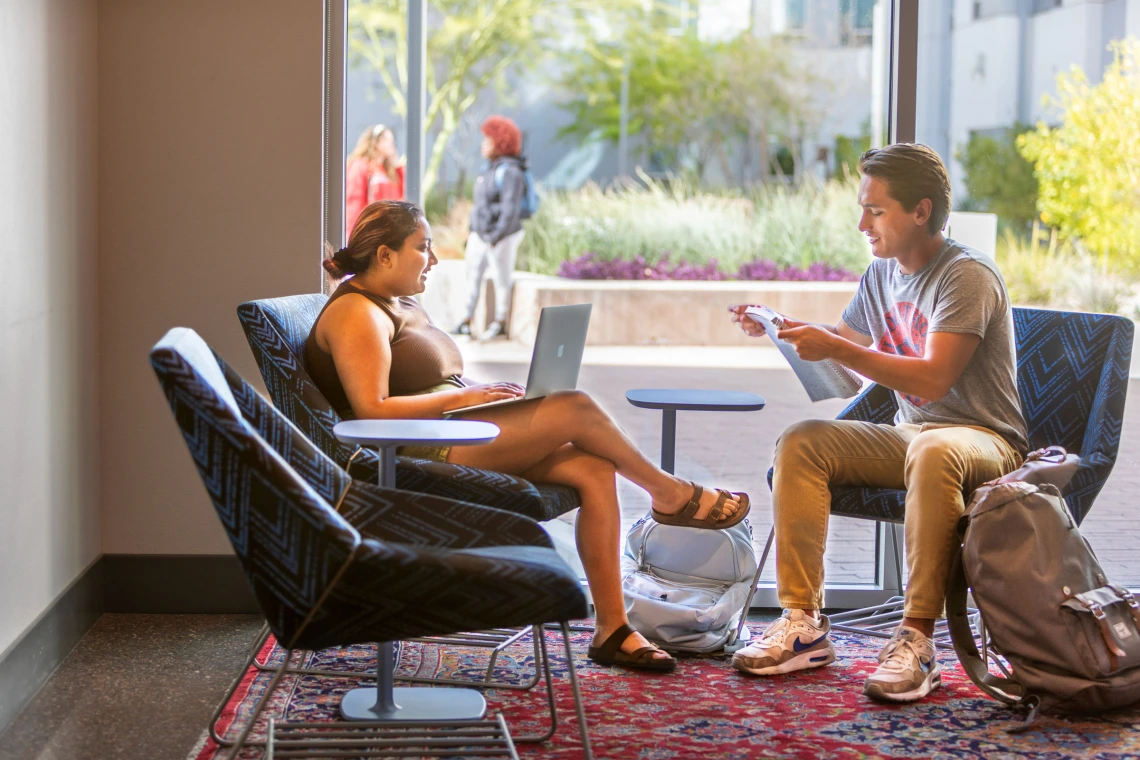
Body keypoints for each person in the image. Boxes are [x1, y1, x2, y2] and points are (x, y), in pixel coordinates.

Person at [306, 200, 751, 672]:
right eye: (424, 247)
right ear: (385, 256)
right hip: (417, 449)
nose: (433, 259)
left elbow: (424, 382)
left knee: (594, 468)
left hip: (456, 431)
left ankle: (613, 629)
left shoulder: (398, 303)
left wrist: (487, 397)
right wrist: (463, 399)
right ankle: (670, 493)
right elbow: (373, 411)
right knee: (574, 407)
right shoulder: (357, 312)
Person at [728, 144, 1026, 703]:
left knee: (934, 450)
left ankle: (916, 640)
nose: (861, 223)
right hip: (911, 439)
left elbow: (934, 380)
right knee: (802, 442)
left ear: (920, 210)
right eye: (862, 207)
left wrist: (834, 345)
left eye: (876, 210)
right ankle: (803, 625)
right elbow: (850, 346)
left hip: (985, 441)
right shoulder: (880, 274)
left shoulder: (966, 277)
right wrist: (784, 328)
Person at [453, 115, 529, 341]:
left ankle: (500, 322)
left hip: (502, 236)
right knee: (472, 275)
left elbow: (510, 210)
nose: (483, 145)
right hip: (481, 234)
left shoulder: (511, 172)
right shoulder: (489, 170)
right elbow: (480, 205)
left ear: (501, 142)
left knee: (501, 278)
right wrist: (472, 230)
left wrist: (495, 237)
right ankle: (466, 320)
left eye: (488, 140)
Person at [346, 124, 405, 234]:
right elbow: (354, 202)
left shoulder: (390, 170)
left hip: (389, 230)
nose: (391, 143)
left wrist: (398, 168)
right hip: (370, 231)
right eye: (386, 139)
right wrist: (353, 234)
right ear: (375, 142)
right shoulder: (361, 166)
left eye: (392, 140)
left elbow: (403, 196)